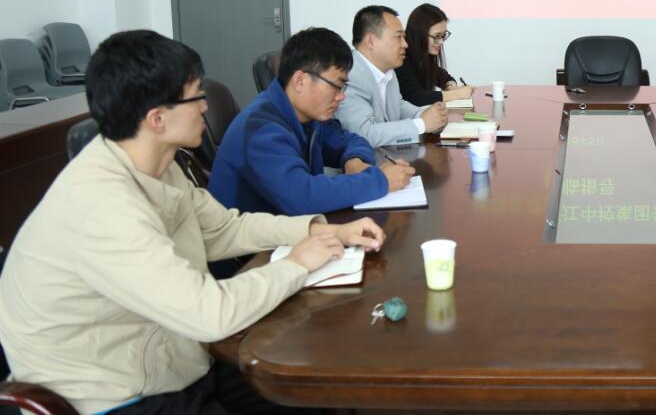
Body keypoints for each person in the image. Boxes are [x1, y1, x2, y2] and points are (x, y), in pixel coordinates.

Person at [0, 30, 386, 415]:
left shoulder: (157, 164)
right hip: (115, 394)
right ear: (157, 118)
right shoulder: (103, 207)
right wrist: (297, 264)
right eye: (196, 97)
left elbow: (224, 228)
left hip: (171, 357)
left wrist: (323, 231)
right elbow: (211, 314)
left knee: (314, 388)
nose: (205, 107)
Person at [210, 27, 415, 215]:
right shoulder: (260, 130)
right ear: (301, 81)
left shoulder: (309, 115)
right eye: (337, 86)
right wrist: (380, 181)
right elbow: (302, 197)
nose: (341, 96)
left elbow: (351, 140)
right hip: (255, 243)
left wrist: (353, 161)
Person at [336, 5, 449, 147]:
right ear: (371, 41)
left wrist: (424, 115)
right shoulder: (350, 76)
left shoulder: (388, 71)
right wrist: (421, 124)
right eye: (398, 37)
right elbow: (364, 134)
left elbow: (398, 107)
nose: (405, 44)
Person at [397, 3, 475, 106]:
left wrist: (451, 85)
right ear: (420, 34)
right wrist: (457, 94)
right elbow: (415, 97)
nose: (441, 42)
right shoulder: (401, 58)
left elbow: (443, 77)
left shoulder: (422, 58)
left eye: (443, 36)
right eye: (437, 36)